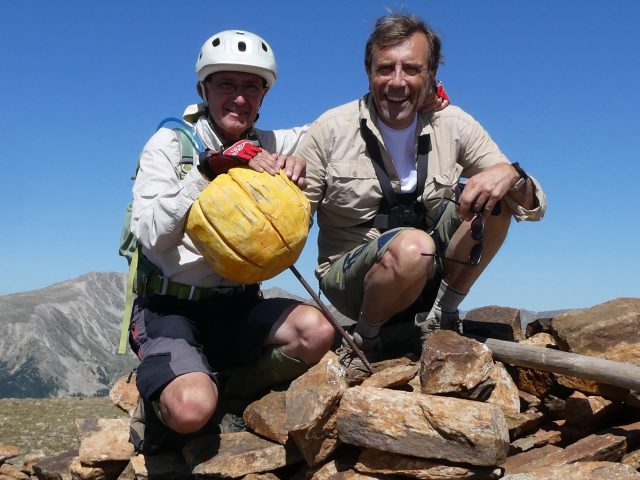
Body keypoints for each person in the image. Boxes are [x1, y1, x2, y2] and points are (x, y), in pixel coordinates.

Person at [297, 14, 547, 375]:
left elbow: (533, 205)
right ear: (368, 70)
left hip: (428, 271)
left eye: (411, 69)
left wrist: (511, 174)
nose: (397, 82)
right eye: (386, 69)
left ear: (430, 74)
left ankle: (442, 321)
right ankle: (366, 341)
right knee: (413, 247)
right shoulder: (331, 129)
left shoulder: (454, 124)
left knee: (496, 198)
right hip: (352, 279)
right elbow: (296, 212)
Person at [127, 29, 337, 454]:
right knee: (189, 410)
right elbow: (149, 232)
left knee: (316, 333)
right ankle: (170, 403)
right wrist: (207, 171)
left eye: (251, 87)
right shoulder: (169, 146)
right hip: (171, 306)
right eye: (226, 84)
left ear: (264, 96)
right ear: (204, 89)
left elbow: (333, 129)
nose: (239, 98)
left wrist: (420, 100)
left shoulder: (274, 144)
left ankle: (228, 391)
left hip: (237, 304)